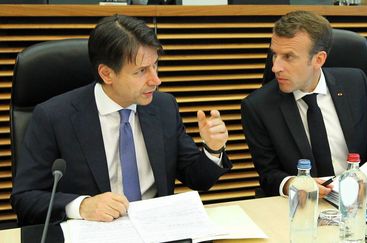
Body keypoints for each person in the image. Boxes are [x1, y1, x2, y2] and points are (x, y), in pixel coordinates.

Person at [11, 14, 232, 226]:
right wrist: (82, 206)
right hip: (97, 232)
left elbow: (198, 178)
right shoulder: (54, 117)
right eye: (141, 71)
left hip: (157, 231)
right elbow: (25, 197)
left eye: (155, 66)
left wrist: (212, 150)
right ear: (107, 74)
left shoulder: (163, 107)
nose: (156, 80)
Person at [241, 10, 367, 198]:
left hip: (357, 199)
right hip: (302, 204)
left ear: (318, 59)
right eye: (275, 55)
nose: (275, 67)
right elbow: (268, 174)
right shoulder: (258, 107)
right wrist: (292, 184)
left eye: (288, 57)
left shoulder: (356, 83)